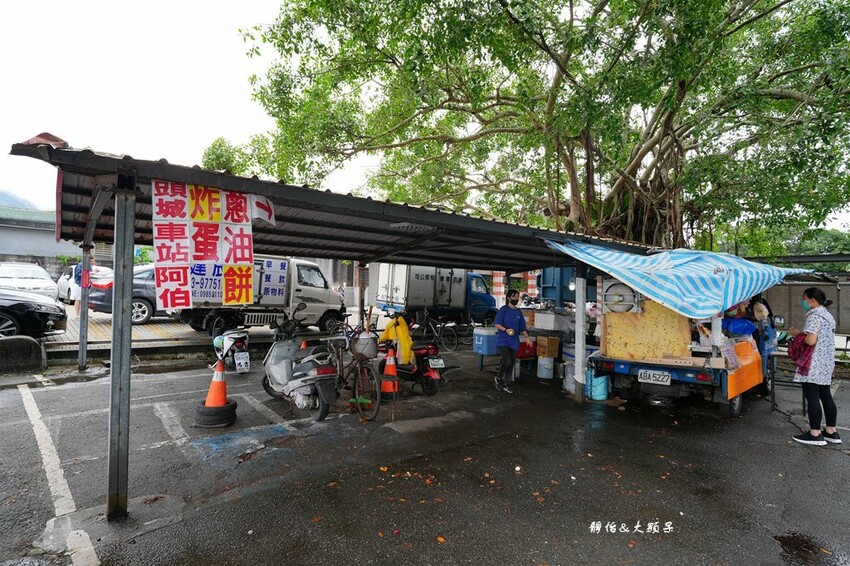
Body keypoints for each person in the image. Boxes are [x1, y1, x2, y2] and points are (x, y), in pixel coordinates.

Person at [789, 287, 840, 446]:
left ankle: (815, 433)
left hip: (813, 362)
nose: (803, 302)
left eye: (805, 299)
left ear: (812, 299)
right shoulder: (828, 316)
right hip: (826, 362)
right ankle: (831, 431)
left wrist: (797, 334)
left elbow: (810, 340)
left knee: (812, 396)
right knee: (825, 395)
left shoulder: (815, 316)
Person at [493, 289, 533, 394]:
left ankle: (506, 384)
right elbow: (497, 324)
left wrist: (527, 337)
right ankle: (499, 377)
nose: (516, 299)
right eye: (514, 297)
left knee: (511, 363)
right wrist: (506, 329)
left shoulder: (518, 312)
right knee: (508, 361)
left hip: (514, 341)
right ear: (509, 298)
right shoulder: (503, 310)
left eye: (517, 297)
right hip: (503, 341)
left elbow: (522, 327)